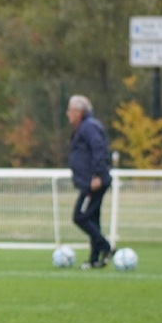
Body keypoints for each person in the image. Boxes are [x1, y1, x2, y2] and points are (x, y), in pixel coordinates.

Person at [66, 95, 112, 269]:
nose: (67, 113)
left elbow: (99, 149)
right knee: (93, 219)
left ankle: (106, 247)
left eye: (70, 110)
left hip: (94, 182)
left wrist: (97, 175)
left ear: (79, 111)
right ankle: (94, 259)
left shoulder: (89, 126)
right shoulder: (85, 126)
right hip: (90, 181)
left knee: (80, 217)